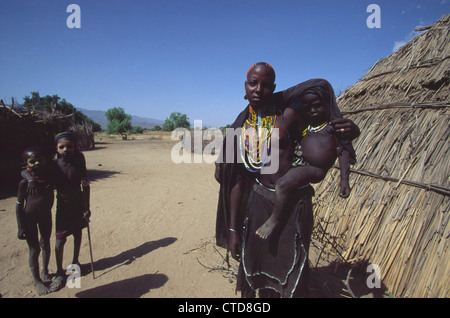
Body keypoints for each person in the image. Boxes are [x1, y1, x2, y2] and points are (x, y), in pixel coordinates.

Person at [215, 62, 359, 298]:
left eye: (266, 85)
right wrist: (233, 230)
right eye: (253, 83)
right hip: (258, 204)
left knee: (290, 271)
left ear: (274, 89)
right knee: (255, 267)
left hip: (293, 204)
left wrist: (349, 132)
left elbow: (322, 136)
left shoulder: (289, 116)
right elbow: (237, 182)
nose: (258, 89)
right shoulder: (240, 128)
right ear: (245, 85)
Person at [256, 80, 352, 239]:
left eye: (317, 105)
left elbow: (343, 152)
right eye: (307, 108)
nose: (312, 110)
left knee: (282, 184)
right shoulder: (308, 125)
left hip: (317, 168)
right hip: (303, 165)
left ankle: (274, 220)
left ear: (327, 103)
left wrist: (344, 180)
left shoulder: (334, 128)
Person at [49, 132, 91, 291]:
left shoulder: (79, 161)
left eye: (69, 146)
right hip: (63, 206)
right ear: (56, 148)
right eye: (62, 147)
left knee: (78, 233)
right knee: (60, 240)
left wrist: (87, 207)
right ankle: (59, 272)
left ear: (75, 147)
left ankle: (76, 262)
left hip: (78, 204)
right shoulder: (53, 165)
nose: (66, 149)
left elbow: (85, 183)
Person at [15, 147, 54, 295]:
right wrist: (20, 227)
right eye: (32, 162)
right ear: (27, 164)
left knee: (45, 243)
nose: (37, 163)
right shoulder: (24, 183)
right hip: (29, 219)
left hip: (46, 215)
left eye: (40, 160)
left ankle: (45, 271)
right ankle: (37, 280)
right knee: (34, 249)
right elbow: (19, 205)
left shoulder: (48, 178)